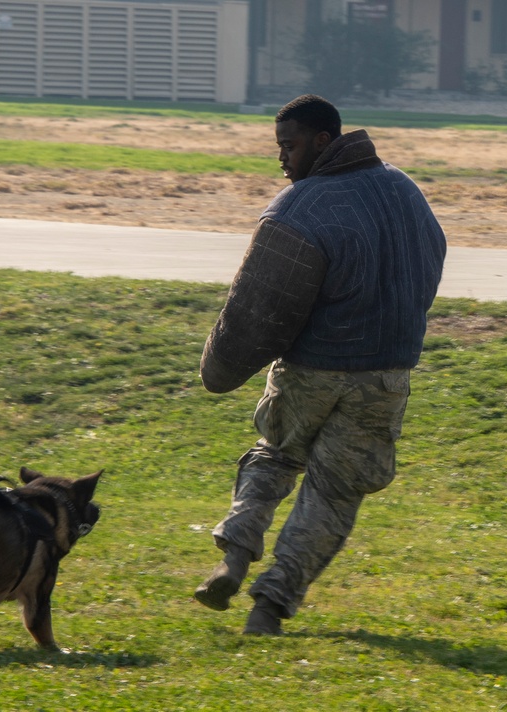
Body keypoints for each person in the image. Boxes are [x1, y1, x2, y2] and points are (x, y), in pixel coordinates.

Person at [193, 94, 446, 635]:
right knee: (336, 492)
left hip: (312, 369)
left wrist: (218, 367)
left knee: (274, 456)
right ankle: (271, 606)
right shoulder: (406, 191)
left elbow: (257, 307)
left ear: (323, 141)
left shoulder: (299, 208)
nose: (282, 158)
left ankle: (234, 557)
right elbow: (430, 264)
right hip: (387, 374)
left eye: (290, 145)